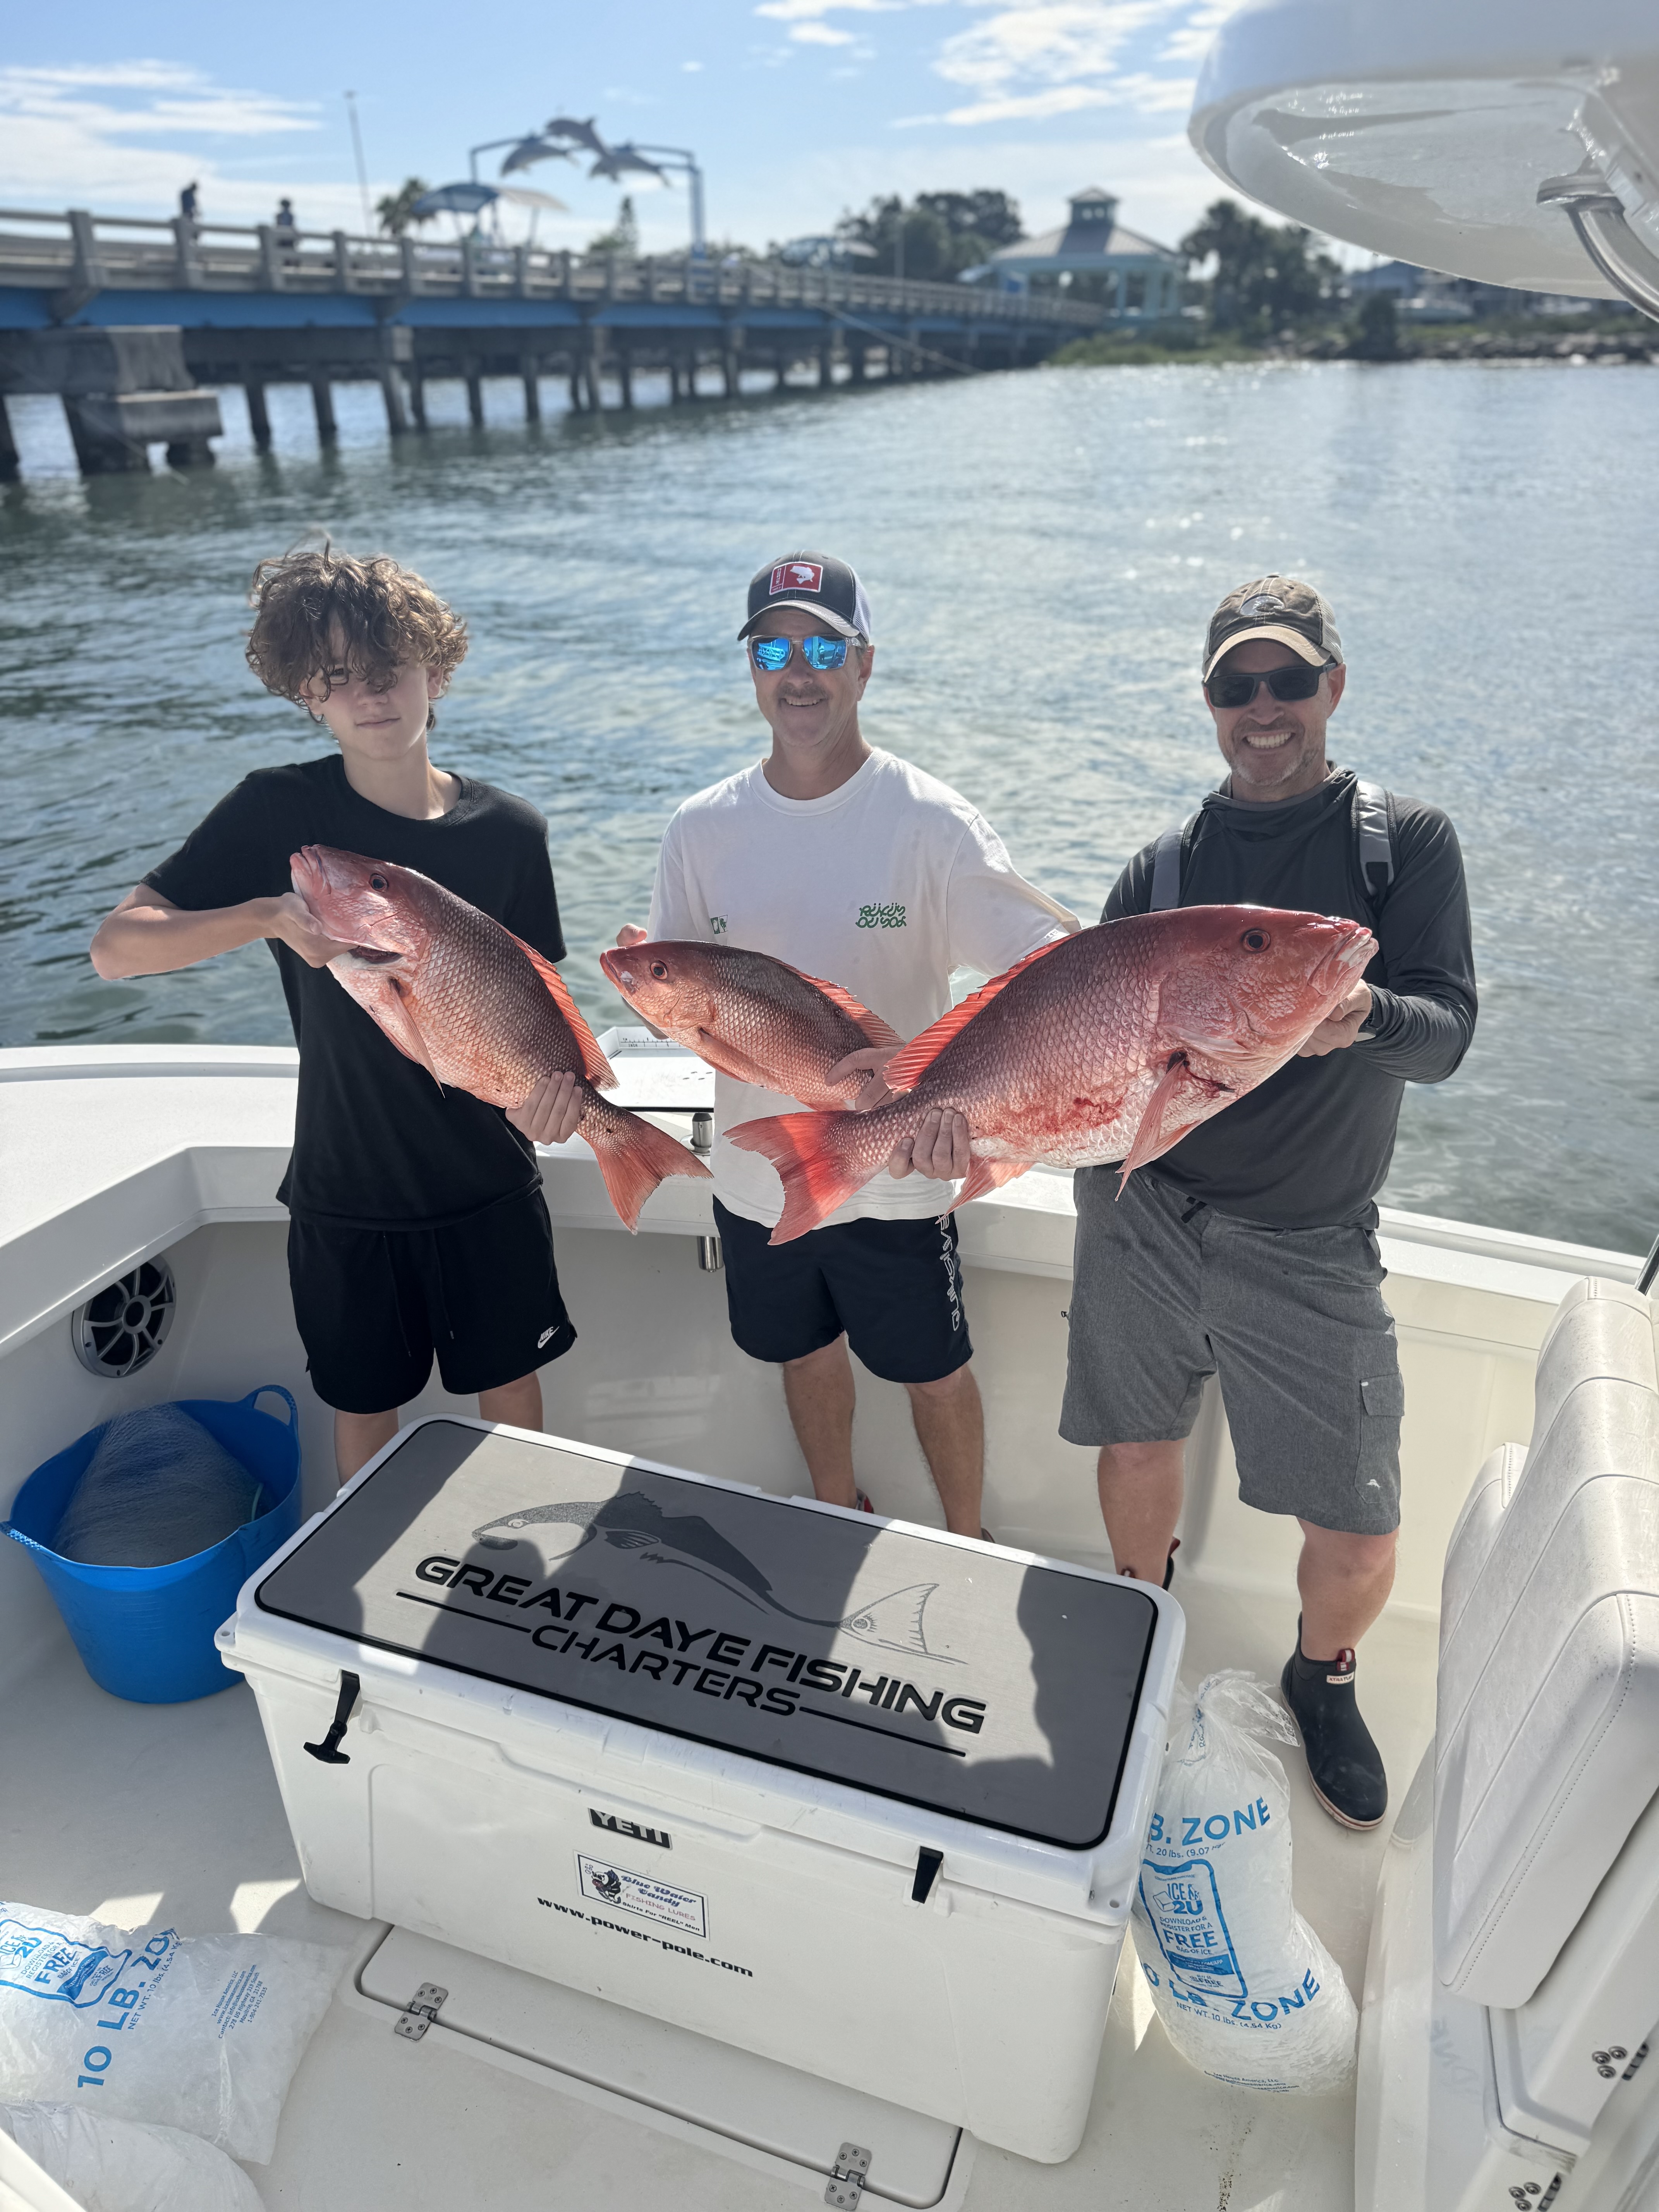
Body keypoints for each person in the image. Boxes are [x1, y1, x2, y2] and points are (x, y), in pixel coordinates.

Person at [1061, 575, 1476, 1830]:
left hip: (1309, 1236)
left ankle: (1323, 1671)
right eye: (1236, 686)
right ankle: (1143, 1612)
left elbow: (1446, 1035)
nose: (1263, 707)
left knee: (1355, 1532)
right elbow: (1093, 1039)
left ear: (1331, 690)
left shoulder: (1402, 846)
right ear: (1209, 704)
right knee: (1136, 1449)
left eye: (1287, 680)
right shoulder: (1164, 868)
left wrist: (1358, 1019)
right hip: (1144, 1212)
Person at [89, 548, 586, 1485]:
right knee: (362, 1414)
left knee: (513, 1403)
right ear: (306, 695)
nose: (371, 695)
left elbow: (537, 1011)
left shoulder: (513, 833)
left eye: (390, 666)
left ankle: (513, 1572)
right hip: (342, 1189)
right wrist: (267, 917)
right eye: (338, 677)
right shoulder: (282, 813)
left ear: (435, 671)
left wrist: (557, 1100)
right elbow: (116, 948)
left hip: (490, 1181)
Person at [617, 552, 1078, 1539]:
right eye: (774, 647)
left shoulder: (933, 823)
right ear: (751, 671)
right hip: (760, 1174)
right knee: (804, 1351)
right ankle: (834, 1509)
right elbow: (684, 1003)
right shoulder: (698, 829)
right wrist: (669, 1004)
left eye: (824, 645)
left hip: (900, 1170)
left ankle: (968, 1534)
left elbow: (1040, 977)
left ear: (865, 665)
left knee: (933, 1373)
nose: (799, 670)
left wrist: (963, 1101)